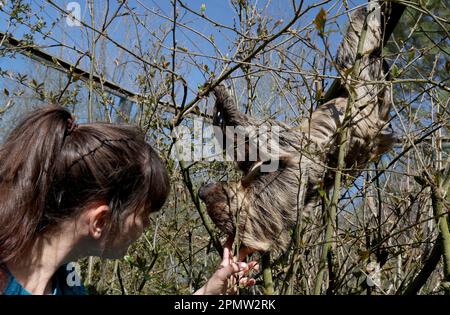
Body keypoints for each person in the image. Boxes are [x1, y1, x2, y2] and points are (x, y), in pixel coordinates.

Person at [0, 105, 256, 295]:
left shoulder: (64, 283)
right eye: (143, 216)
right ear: (100, 221)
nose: (145, 227)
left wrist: (210, 292)